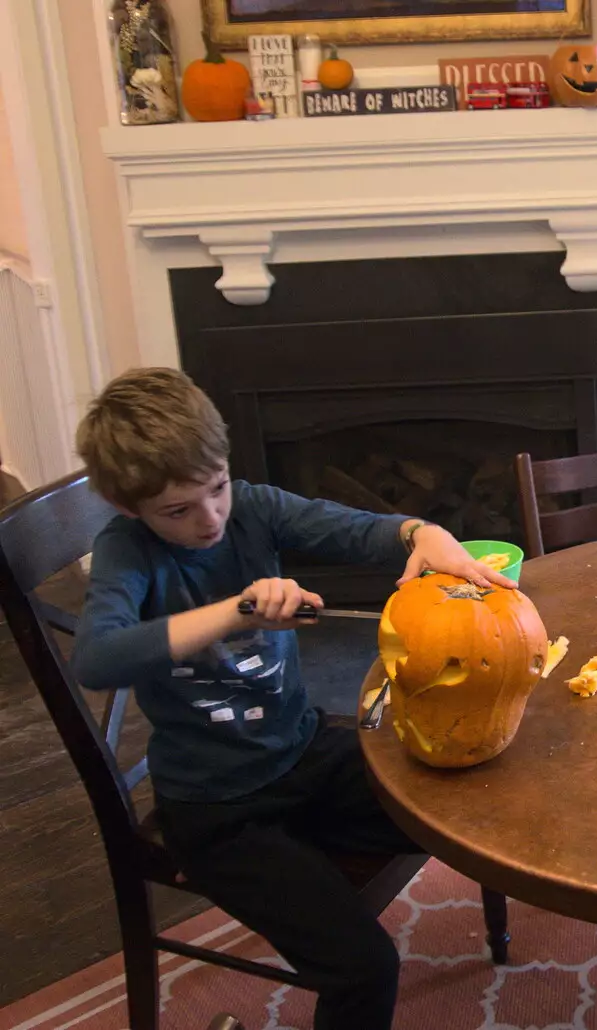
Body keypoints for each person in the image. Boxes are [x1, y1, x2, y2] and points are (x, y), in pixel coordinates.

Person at [71, 367, 517, 1030]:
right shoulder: (125, 552)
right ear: (129, 508)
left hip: (305, 753)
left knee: (464, 814)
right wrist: (236, 611)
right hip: (218, 811)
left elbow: (356, 528)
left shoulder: (254, 506)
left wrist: (421, 534)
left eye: (217, 488)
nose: (211, 518)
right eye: (178, 510)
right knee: (364, 967)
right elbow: (97, 659)